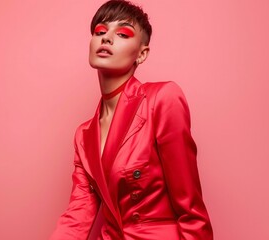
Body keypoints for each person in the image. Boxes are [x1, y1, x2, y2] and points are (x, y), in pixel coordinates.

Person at [50, 0, 213, 239]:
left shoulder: (162, 99)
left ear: (142, 53)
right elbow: (78, 215)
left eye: (123, 34)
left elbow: (190, 208)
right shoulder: (84, 135)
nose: (106, 38)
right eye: (100, 31)